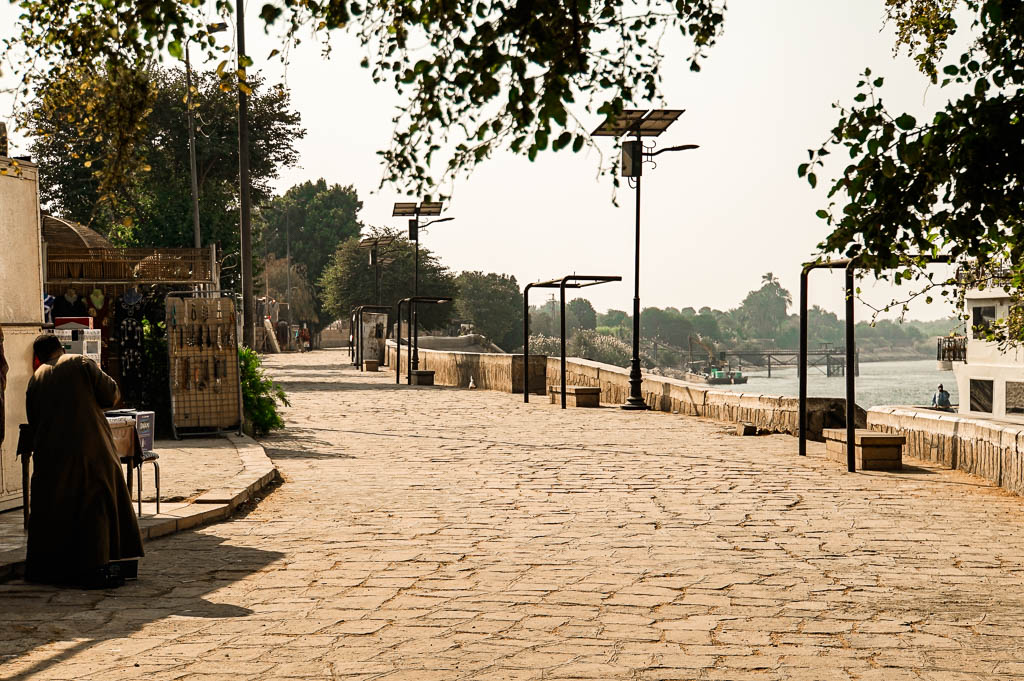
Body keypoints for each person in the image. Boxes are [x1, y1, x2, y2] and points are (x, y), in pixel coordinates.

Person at [24, 333, 143, 588]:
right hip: (91, 449)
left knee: (58, 511)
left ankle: (55, 569)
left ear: (38, 357)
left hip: (52, 457)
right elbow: (111, 395)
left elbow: (34, 420)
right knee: (95, 505)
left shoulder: (35, 380)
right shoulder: (79, 362)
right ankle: (96, 567)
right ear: (60, 347)